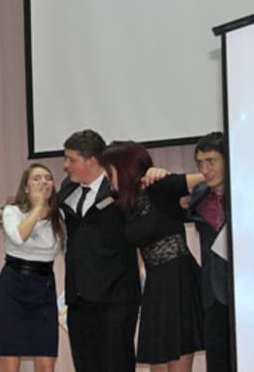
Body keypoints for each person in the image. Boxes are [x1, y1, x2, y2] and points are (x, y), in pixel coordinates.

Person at [101, 140, 205, 371]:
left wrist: (164, 174)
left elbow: (207, 177)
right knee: (157, 363)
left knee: (177, 359)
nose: (106, 176)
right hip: (155, 283)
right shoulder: (124, 201)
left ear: (123, 168)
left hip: (178, 280)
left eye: (109, 170)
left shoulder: (159, 185)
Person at [58, 129, 140, 372]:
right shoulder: (68, 188)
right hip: (79, 298)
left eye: (71, 160)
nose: (65, 166)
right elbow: (43, 207)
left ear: (91, 161)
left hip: (116, 297)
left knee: (116, 364)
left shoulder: (120, 187)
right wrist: (2, 213)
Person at [0, 163, 64, 372]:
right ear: (26, 188)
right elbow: (19, 236)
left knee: (46, 364)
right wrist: (38, 207)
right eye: (36, 179)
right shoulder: (12, 211)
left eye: (48, 178)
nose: (43, 182)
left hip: (44, 290)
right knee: (10, 365)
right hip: (13, 289)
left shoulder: (60, 216)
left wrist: (45, 208)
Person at [186, 132, 231, 372]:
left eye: (211, 161)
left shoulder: (251, 191)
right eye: (200, 163)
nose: (205, 170)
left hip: (248, 292)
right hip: (213, 294)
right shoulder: (199, 196)